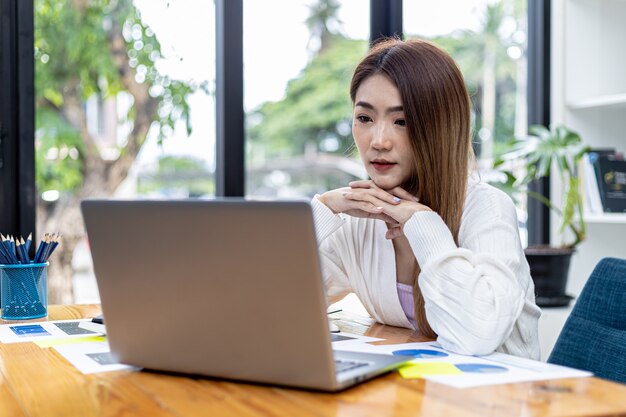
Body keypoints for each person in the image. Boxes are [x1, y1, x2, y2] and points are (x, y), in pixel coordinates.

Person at [312, 37, 541, 359]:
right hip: (414, 394)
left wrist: (424, 224)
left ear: (440, 128)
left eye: (401, 121)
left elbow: (476, 337)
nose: (378, 141)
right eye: (365, 118)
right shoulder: (358, 218)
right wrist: (320, 211)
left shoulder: (486, 208)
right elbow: (273, 306)